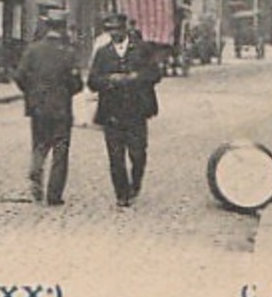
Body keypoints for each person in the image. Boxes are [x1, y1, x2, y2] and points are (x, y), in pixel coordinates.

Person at [87, 11, 162, 208]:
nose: (114, 34)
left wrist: (136, 77)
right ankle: (121, 193)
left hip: (136, 112)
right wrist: (109, 80)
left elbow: (155, 74)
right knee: (115, 155)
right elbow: (92, 81)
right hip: (111, 112)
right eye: (110, 30)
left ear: (126, 28)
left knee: (138, 153)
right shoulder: (103, 53)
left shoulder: (142, 49)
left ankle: (135, 183)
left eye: (118, 30)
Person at [15, 17, 83, 206]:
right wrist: (68, 91)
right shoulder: (68, 53)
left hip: (37, 107)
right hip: (61, 107)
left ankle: (36, 167)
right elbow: (77, 84)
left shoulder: (32, 50)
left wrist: (32, 94)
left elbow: (20, 76)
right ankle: (54, 195)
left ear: (47, 28)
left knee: (39, 143)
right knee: (60, 149)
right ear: (62, 29)